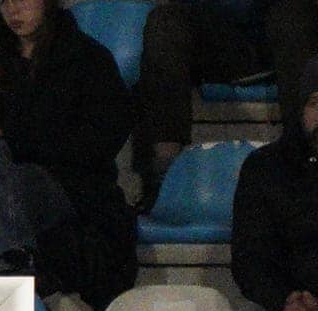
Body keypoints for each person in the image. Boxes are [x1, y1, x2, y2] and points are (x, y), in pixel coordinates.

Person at [0, 0, 135, 309]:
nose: (13, 10)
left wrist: (12, 140)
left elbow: (100, 139)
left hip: (67, 190)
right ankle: (3, 266)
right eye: (4, 2)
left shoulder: (88, 59)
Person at [135, 0, 318, 206]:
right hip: (217, 39)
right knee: (164, 21)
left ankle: (305, 162)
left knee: (293, 14)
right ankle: (165, 173)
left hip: (280, 34)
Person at [223, 65, 318, 311]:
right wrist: (289, 302)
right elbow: (249, 258)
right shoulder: (264, 167)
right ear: (299, 110)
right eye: (315, 103)